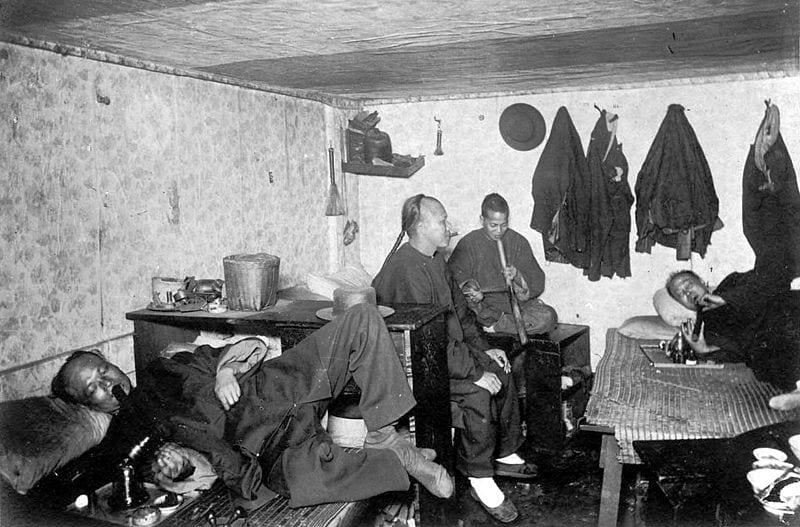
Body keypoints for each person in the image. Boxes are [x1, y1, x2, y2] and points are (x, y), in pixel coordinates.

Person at [48, 304, 454, 509]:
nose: (107, 383)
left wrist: (224, 370)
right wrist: (173, 467)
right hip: (260, 450)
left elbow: (249, 345)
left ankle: (386, 435)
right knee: (306, 481)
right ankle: (402, 461)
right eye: (94, 389)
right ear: (92, 406)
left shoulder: (164, 367)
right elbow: (86, 476)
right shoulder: (125, 437)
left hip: (273, 387)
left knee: (363, 318)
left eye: (103, 369)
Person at [372, 194, 536, 524]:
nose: (450, 226)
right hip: (415, 365)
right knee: (478, 391)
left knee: (501, 370)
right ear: (419, 227)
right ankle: (479, 477)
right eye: (442, 221)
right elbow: (427, 342)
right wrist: (475, 371)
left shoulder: (435, 260)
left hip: (442, 353)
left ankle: (502, 451)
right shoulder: (406, 270)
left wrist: (485, 350)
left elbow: (461, 315)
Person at [667, 103, 800, 390]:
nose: (686, 290)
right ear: (682, 305)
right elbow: (738, 354)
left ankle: (762, 163)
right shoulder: (700, 328)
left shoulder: (731, 283)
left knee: (764, 242)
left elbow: (774, 281)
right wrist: (704, 350)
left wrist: (729, 299)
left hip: (786, 314)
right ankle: (767, 163)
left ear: (703, 283)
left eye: (687, 283)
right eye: (681, 294)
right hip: (773, 349)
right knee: (773, 239)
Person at [448, 192, 557, 336]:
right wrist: (471, 290)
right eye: (493, 225)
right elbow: (452, 278)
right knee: (470, 313)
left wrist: (517, 276)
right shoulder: (468, 243)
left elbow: (537, 282)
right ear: (482, 220)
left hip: (514, 308)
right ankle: (506, 325)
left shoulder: (518, 241)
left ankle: (500, 326)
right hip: (484, 308)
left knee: (548, 316)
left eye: (504, 225)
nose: (499, 231)